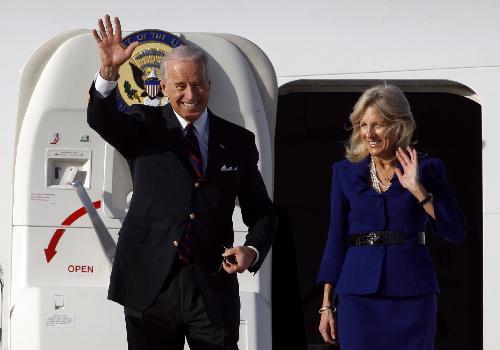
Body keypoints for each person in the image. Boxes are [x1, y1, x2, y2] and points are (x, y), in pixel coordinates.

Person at [88, 15, 277, 350]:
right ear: (164, 88)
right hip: (150, 284)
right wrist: (108, 72)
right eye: (181, 86)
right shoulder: (143, 127)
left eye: (199, 84)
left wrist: (251, 249)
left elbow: (262, 210)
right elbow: (100, 118)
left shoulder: (238, 141)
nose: (191, 94)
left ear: (209, 84)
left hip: (212, 284)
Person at [317, 85, 466, 349]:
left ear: (400, 125)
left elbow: (455, 231)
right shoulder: (343, 173)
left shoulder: (429, 168)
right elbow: (335, 239)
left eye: (379, 125)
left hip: (412, 293)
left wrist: (417, 189)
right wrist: (326, 305)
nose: (369, 134)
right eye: (363, 125)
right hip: (357, 295)